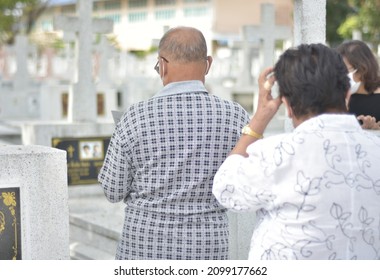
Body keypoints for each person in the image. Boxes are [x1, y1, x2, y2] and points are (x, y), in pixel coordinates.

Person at [213, 43, 380, 260]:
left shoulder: (276, 154)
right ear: (347, 93)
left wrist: (259, 119)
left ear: (287, 105)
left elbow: (225, 189)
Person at [98, 26, 250, 260]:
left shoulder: (135, 117)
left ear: (163, 64)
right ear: (208, 64)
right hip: (207, 247)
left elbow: (112, 190)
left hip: (144, 245)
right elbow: (244, 185)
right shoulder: (235, 116)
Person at [337, 40, 380, 130]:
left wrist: (376, 128)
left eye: (350, 69)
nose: (348, 74)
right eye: (342, 70)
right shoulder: (348, 96)